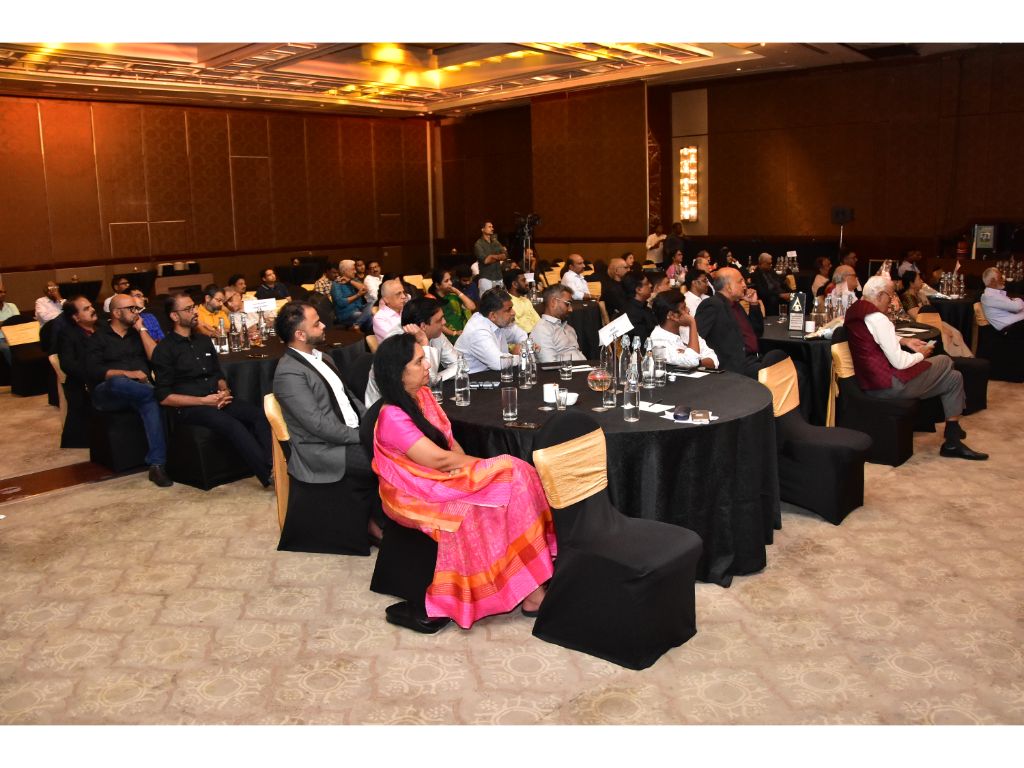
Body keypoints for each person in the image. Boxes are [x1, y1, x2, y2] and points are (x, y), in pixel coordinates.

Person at [370, 333, 557, 627]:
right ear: (398, 373)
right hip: (411, 492)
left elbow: (450, 444)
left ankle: (531, 585)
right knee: (493, 493)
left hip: (438, 479)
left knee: (511, 483)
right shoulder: (392, 416)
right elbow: (438, 460)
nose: (427, 366)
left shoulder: (422, 395)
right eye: (419, 362)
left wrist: (473, 474)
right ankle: (492, 593)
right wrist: (483, 468)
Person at [272, 301, 384, 552]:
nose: (323, 325)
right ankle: (373, 523)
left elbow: (349, 397)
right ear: (300, 335)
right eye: (316, 324)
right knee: (382, 460)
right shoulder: (289, 373)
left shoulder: (324, 357)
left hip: (348, 433)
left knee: (395, 448)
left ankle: (390, 519)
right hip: (321, 448)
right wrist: (363, 436)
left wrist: (371, 422)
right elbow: (318, 426)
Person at [845, 276, 986, 460]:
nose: (892, 302)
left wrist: (904, 340)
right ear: (879, 296)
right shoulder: (879, 319)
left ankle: (952, 438)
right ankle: (953, 433)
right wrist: (922, 354)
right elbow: (900, 362)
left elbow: (873, 335)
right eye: (890, 296)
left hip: (871, 383)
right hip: (889, 386)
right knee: (945, 360)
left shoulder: (856, 310)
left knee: (954, 378)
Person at [152, 293, 273, 487]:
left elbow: (218, 374)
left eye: (194, 307)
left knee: (259, 415)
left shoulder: (203, 341)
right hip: (191, 407)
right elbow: (164, 397)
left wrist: (224, 390)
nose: (195, 312)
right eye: (188, 309)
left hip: (217, 399)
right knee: (233, 425)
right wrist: (203, 401)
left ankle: (274, 465)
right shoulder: (164, 349)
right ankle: (269, 475)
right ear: (174, 316)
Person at [85, 292, 170, 486]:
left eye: (137, 308)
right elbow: (93, 371)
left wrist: (142, 330)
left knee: (149, 401)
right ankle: (159, 394)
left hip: (140, 391)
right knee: (119, 382)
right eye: (132, 309)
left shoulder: (137, 334)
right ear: (116, 313)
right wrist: (128, 374)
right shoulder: (98, 338)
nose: (137, 312)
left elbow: (157, 359)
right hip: (107, 393)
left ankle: (157, 465)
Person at [364, 297, 458, 406]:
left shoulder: (435, 332)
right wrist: (424, 343)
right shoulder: (398, 343)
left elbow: (459, 364)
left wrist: (437, 378)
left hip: (416, 399)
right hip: (386, 408)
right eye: (439, 320)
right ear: (423, 326)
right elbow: (427, 383)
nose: (444, 322)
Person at [695, 267, 786, 378]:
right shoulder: (712, 304)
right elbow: (697, 336)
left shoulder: (736, 305)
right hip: (736, 366)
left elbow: (757, 332)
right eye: (740, 281)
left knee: (793, 367)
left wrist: (753, 304)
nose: (745, 285)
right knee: (789, 374)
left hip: (754, 359)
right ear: (728, 287)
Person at [454, 288, 528, 373]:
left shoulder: (498, 321)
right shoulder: (478, 331)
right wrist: (521, 356)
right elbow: (499, 363)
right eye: (508, 310)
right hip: (470, 378)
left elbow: (520, 334)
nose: (513, 312)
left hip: (490, 374)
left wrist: (522, 346)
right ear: (493, 315)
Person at [899, 272, 973, 357]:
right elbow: (920, 318)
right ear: (911, 283)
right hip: (919, 326)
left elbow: (930, 312)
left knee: (956, 333)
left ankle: (967, 357)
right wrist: (942, 328)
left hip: (931, 322)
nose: (922, 281)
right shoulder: (907, 297)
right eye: (919, 279)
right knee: (945, 336)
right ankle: (953, 358)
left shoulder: (919, 294)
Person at [650, 289, 718, 369]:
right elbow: (693, 360)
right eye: (684, 308)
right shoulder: (657, 340)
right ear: (672, 315)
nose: (688, 310)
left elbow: (714, 360)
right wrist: (692, 323)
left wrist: (696, 361)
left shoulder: (686, 330)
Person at [530, 285, 586, 364]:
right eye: (567, 304)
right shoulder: (542, 330)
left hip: (584, 368)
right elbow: (550, 365)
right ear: (553, 302)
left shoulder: (569, 328)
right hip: (567, 371)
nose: (571, 309)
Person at [428, 268, 475, 342]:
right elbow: (436, 323)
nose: (450, 283)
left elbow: (472, 307)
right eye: (446, 281)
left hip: (462, 333)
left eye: (450, 279)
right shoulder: (431, 299)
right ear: (437, 285)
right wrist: (454, 333)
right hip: (445, 337)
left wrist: (457, 291)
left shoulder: (453, 296)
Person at [981, 267, 1024, 338]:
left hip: (1015, 322)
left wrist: (1014, 301)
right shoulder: (991, 296)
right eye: (1001, 277)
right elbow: (1018, 307)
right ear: (993, 281)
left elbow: (1015, 306)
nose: (1004, 279)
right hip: (1010, 327)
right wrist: (1018, 300)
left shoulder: (994, 294)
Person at [332, 259, 373, 331]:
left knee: (373, 303)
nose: (355, 271)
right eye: (353, 269)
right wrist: (358, 295)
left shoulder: (354, 280)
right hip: (346, 313)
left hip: (360, 308)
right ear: (345, 271)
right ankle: (360, 327)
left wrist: (350, 281)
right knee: (371, 318)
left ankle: (357, 325)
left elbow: (365, 289)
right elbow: (341, 302)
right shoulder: (337, 284)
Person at [751, 252, 792, 317]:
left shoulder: (771, 271)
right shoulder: (756, 275)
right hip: (770, 297)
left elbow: (780, 282)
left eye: (771, 263)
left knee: (795, 296)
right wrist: (780, 295)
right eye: (769, 263)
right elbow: (762, 292)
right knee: (774, 300)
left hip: (780, 293)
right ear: (762, 263)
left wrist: (791, 293)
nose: (771, 265)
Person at [621, 272, 657, 345]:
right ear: (639, 290)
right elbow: (643, 343)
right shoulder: (633, 314)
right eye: (647, 283)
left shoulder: (641, 306)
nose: (650, 285)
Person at [474, 220, 507, 293]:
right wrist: (499, 257)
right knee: (487, 299)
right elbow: (485, 261)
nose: (492, 228)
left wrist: (492, 256)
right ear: (483, 229)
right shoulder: (478, 244)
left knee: (501, 299)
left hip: (499, 277)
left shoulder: (495, 242)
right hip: (486, 278)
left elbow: (505, 255)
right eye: (489, 227)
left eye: (492, 227)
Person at [504, 268, 540, 334]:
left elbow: (538, 320)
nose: (527, 283)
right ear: (514, 284)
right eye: (523, 280)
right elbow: (516, 329)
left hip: (537, 334)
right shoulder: (507, 303)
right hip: (524, 337)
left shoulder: (526, 300)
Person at [373, 278, 409, 343]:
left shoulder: (406, 310)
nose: (404, 296)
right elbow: (397, 340)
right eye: (398, 294)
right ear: (386, 299)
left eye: (403, 292)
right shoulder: (380, 318)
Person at [0, 284, 20, 366]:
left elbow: (18, 321)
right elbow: (12, 321)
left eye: (4, 292)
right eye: (0, 292)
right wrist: (9, 321)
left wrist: (2, 323)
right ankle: (15, 368)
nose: (3, 294)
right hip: (0, 338)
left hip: (14, 336)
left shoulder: (12, 306)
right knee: (7, 348)